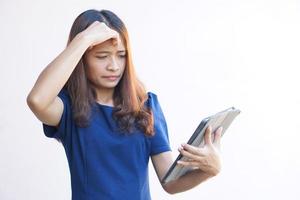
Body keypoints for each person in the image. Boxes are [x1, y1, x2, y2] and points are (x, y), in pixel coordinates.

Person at [26, 9, 223, 200]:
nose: (114, 66)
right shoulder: (69, 108)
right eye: (102, 56)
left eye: (121, 55)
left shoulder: (146, 106)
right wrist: (83, 39)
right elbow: (37, 99)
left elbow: (169, 182)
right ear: (81, 58)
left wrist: (209, 170)